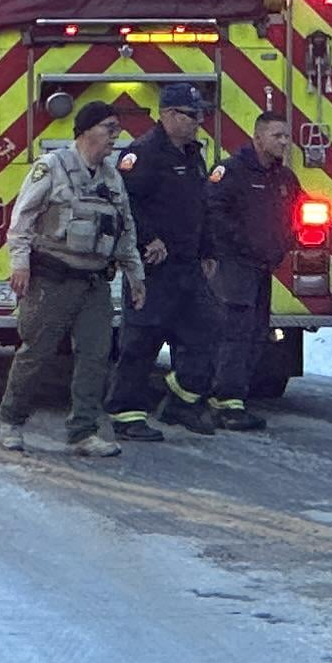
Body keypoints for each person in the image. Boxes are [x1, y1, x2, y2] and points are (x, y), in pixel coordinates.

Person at [1, 103, 140, 459]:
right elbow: (22, 221)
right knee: (37, 353)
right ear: (86, 131)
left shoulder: (111, 178)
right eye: (109, 128)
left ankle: (83, 432)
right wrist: (20, 265)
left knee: (95, 356)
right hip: (52, 279)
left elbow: (125, 231)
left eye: (117, 129)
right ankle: (12, 421)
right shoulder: (51, 168)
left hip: (93, 281)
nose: (115, 136)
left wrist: (135, 276)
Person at [111, 89, 224, 437]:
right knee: (141, 341)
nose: (198, 122)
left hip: (189, 264)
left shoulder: (192, 154)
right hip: (154, 266)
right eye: (192, 115)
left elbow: (200, 206)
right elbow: (125, 204)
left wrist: (208, 251)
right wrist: (148, 238)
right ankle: (127, 415)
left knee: (207, 332)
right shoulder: (142, 154)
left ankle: (181, 404)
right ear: (170, 115)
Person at [203, 108, 307, 430]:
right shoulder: (231, 172)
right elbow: (212, 211)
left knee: (255, 332)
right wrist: (240, 243)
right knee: (234, 332)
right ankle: (226, 401)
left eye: (287, 136)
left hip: (263, 267)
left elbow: (297, 211)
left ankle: (233, 396)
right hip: (234, 265)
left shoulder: (284, 178)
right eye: (277, 136)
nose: (284, 142)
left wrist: (284, 243)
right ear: (257, 138)